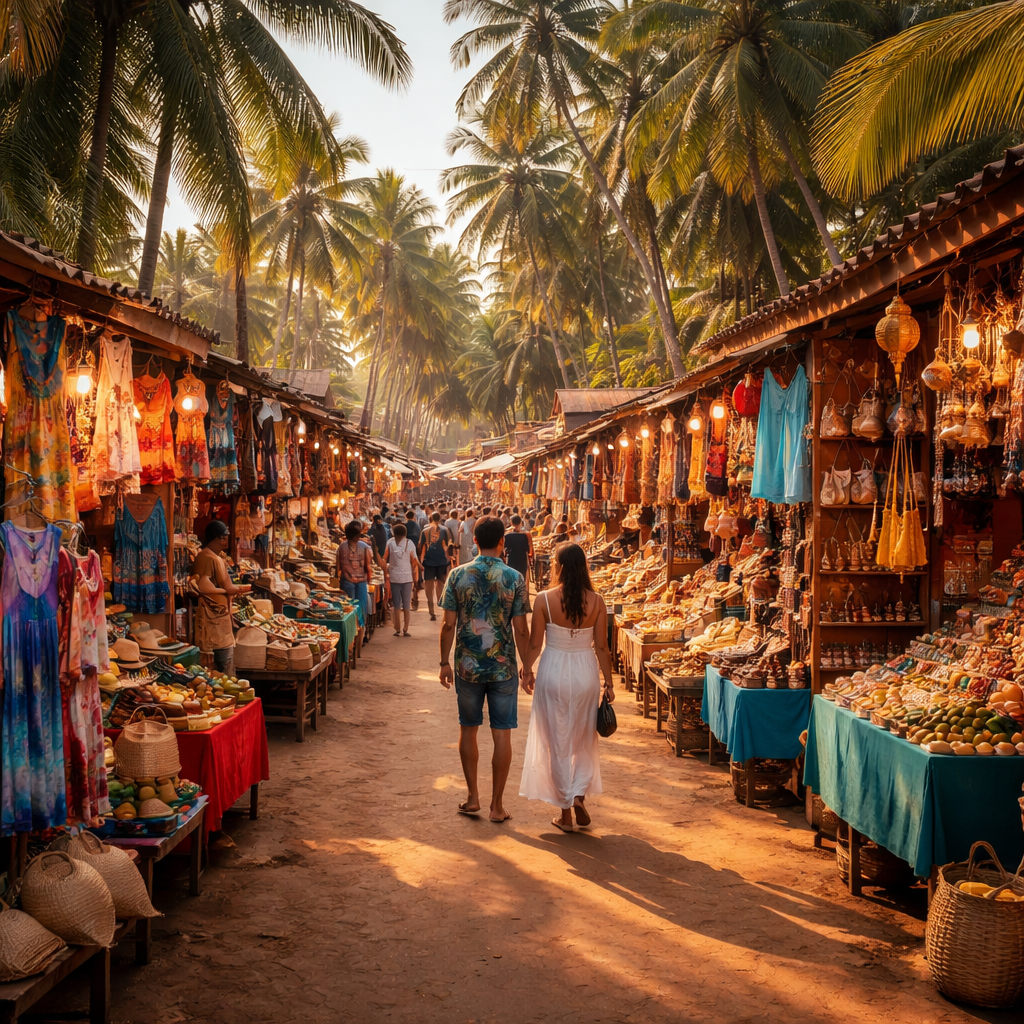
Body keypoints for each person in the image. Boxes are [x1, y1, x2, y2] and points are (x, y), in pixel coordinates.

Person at [439, 516, 529, 823]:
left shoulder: (457, 576)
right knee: (502, 734)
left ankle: (472, 797)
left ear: (473, 541)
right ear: (502, 542)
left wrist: (443, 662)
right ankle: (496, 806)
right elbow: (521, 629)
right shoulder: (515, 578)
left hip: (467, 667)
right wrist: (528, 666)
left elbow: (448, 624)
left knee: (468, 728)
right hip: (503, 667)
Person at [520, 543, 614, 832]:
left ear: (559, 567)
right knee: (584, 738)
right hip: (585, 671)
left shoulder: (544, 600)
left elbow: (535, 644)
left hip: (553, 671)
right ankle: (578, 795)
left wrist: (526, 669)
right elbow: (601, 647)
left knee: (556, 742)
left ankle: (565, 814)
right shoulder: (597, 601)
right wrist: (608, 682)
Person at [192, 520, 250, 677]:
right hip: (215, 619)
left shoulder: (207, 556)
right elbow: (209, 586)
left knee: (215, 666)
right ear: (215, 538)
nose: (226, 540)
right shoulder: (212, 559)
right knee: (224, 665)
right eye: (223, 537)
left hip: (214, 618)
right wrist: (242, 589)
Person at [337, 520, 373, 638]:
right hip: (361, 582)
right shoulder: (364, 546)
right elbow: (368, 566)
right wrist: (369, 578)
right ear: (356, 536)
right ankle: (361, 635)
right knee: (361, 608)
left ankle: (352, 635)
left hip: (347, 581)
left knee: (349, 609)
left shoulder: (341, 547)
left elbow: (338, 567)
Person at [385, 523, 421, 637]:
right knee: (406, 604)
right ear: (405, 533)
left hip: (394, 577)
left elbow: (384, 557)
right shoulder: (410, 543)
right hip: (407, 577)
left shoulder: (390, 542)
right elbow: (414, 560)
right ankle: (405, 629)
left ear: (394, 533)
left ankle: (397, 629)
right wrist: (417, 571)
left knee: (396, 604)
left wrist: (386, 568)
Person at [419, 511, 453, 621]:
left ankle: (431, 611)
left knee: (429, 587)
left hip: (428, 562)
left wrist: (420, 562)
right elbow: (449, 547)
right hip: (442, 561)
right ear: (441, 517)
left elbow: (421, 548)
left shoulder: (425, 531)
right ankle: (441, 607)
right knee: (440, 585)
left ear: (430, 518)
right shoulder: (445, 530)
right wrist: (451, 561)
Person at [504, 515, 533, 607]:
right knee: (522, 580)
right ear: (521, 522)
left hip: (511, 560)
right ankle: (521, 602)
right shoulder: (526, 535)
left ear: (511, 523)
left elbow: (504, 551)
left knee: (512, 581)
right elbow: (530, 551)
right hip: (522, 560)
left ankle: (511, 601)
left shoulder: (507, 535)